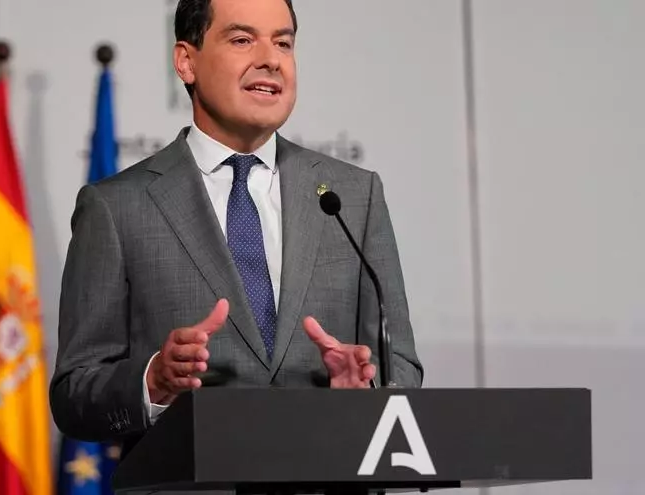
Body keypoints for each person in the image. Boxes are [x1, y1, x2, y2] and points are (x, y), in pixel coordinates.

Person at [50, 0, 423, 447]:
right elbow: (74, 393)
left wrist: (365, 392)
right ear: (186, 62)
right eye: (243, 40)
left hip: (327, 470)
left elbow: (400, 366)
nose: (271, 60)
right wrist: (154, 381)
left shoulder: (353, 196)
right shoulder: (117, 207)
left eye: (283, 43)